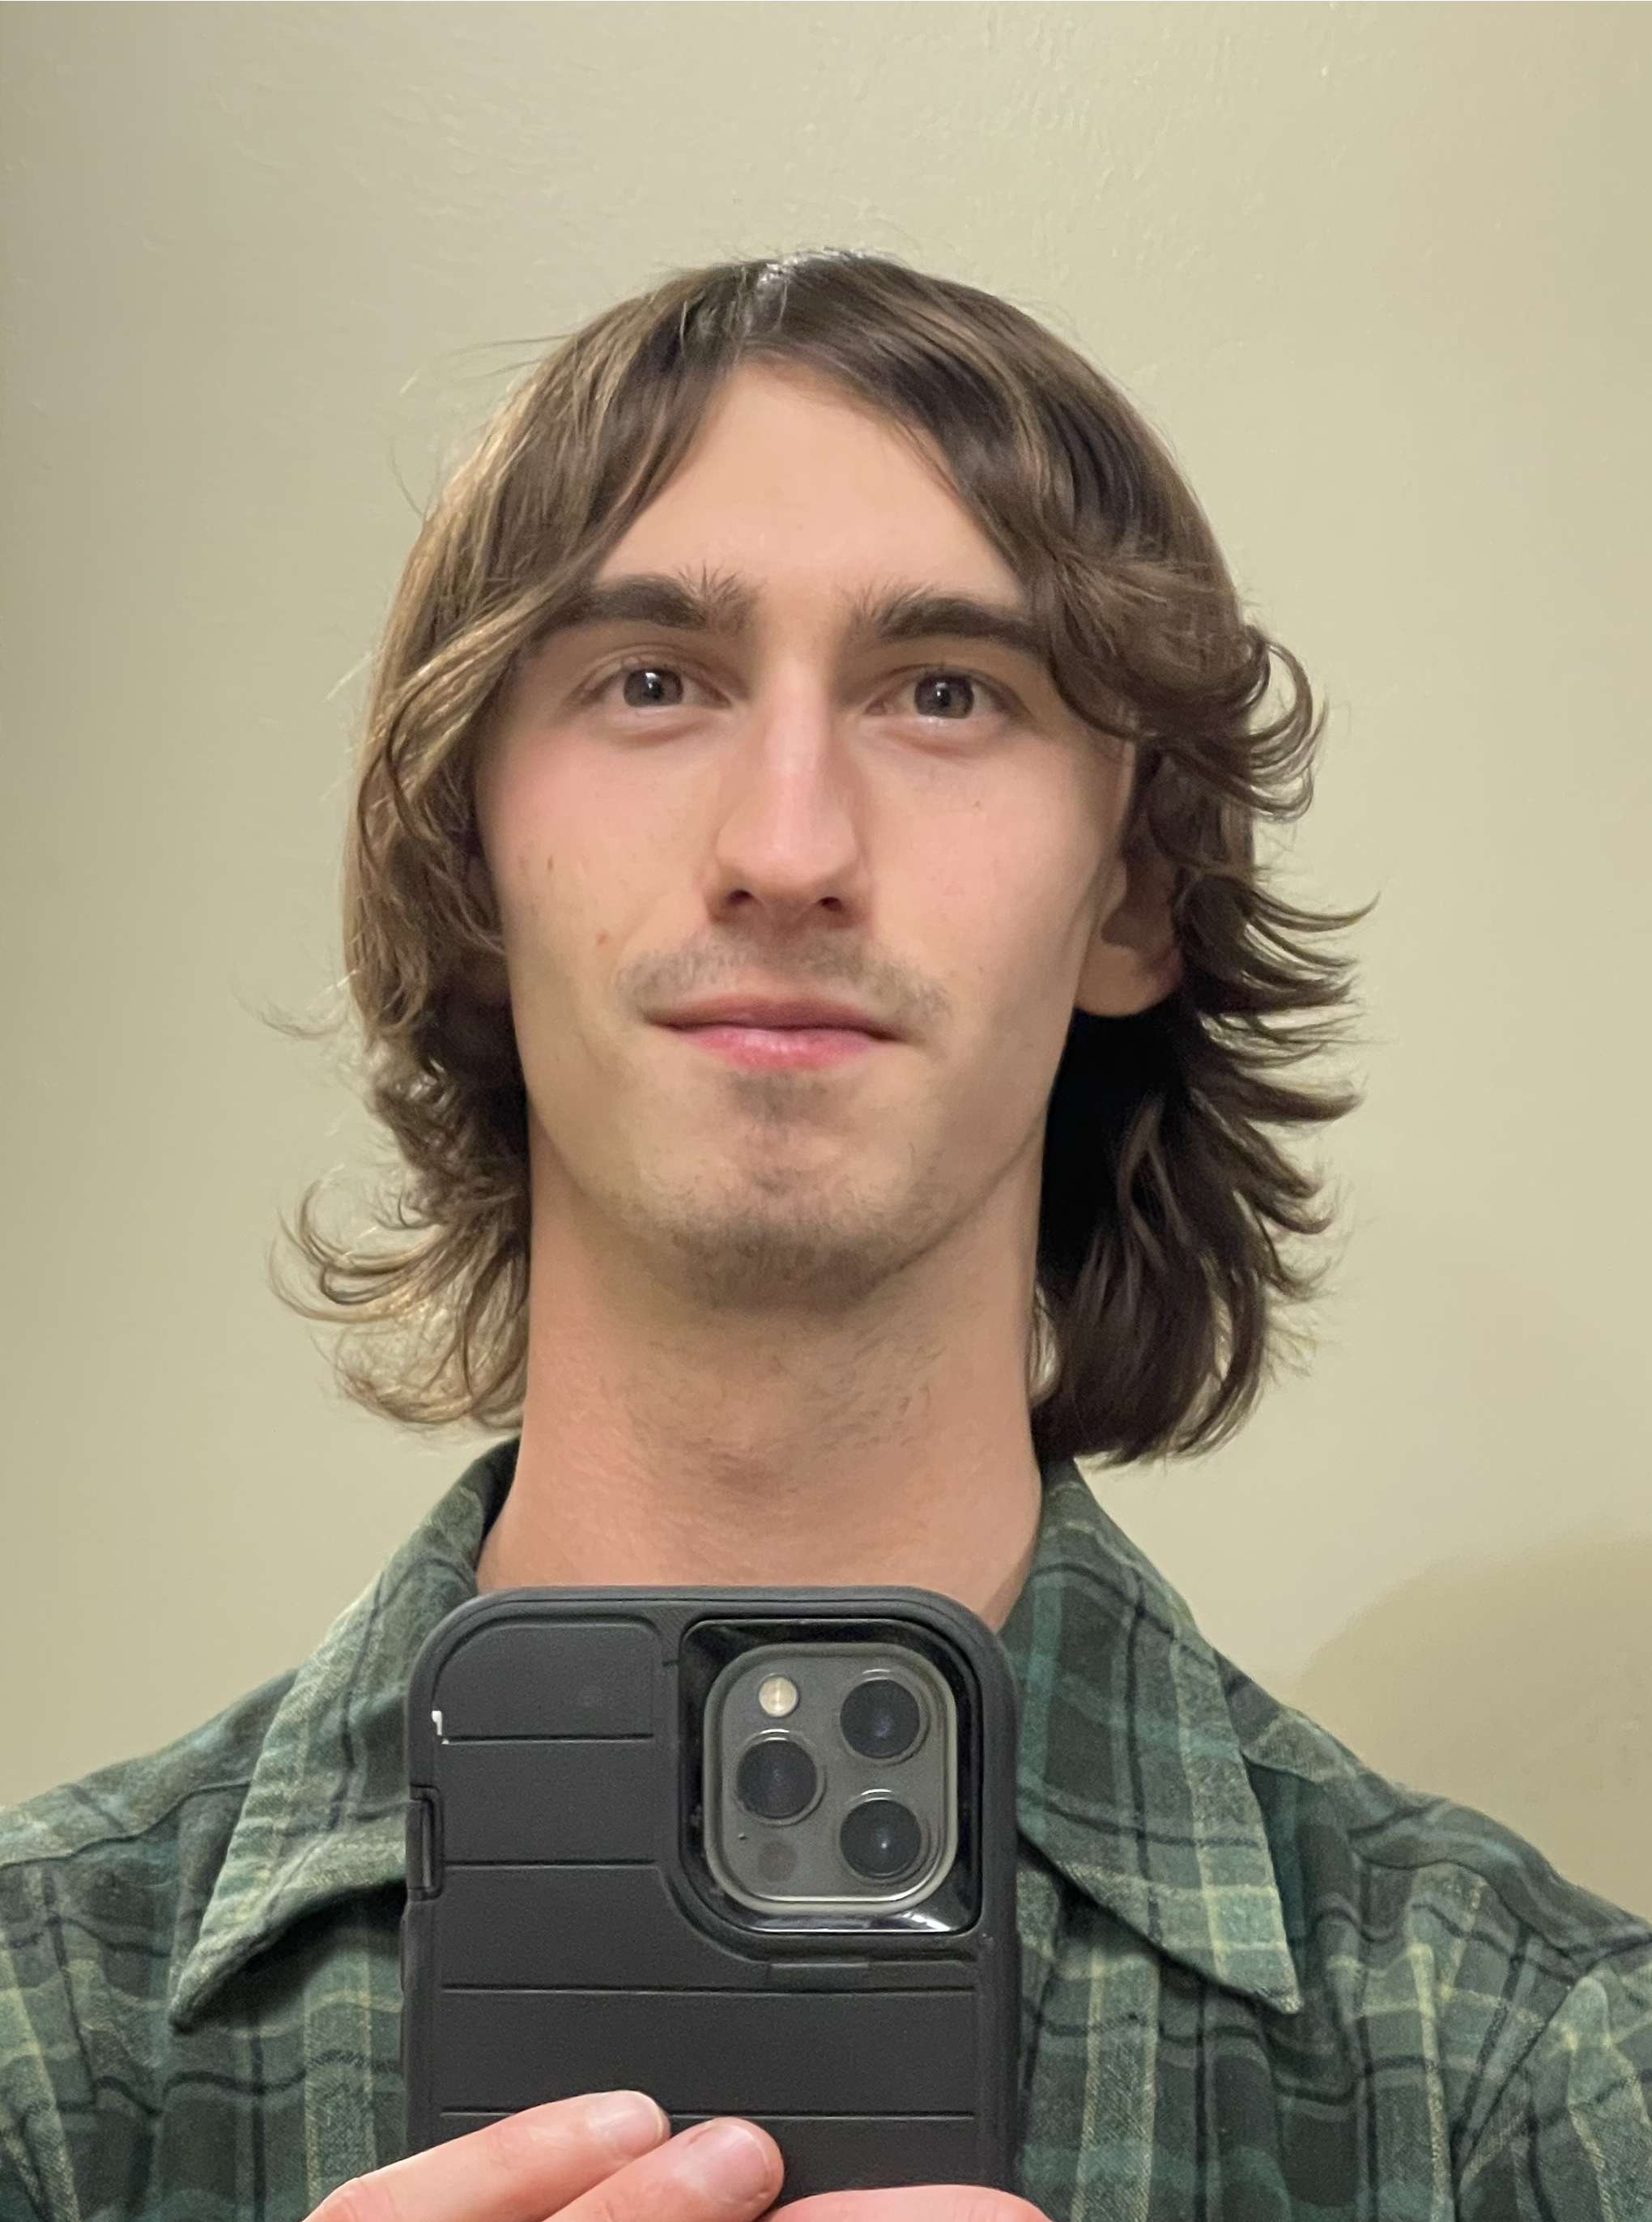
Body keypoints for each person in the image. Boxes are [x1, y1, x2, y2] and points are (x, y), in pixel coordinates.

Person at [2, 249, 1648, 2222]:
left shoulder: (1545, 2087)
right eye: (653, 681)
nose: (787, 849)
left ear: (1134, 892)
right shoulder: (39, 2046)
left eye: (946, 693)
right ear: (472, 863)